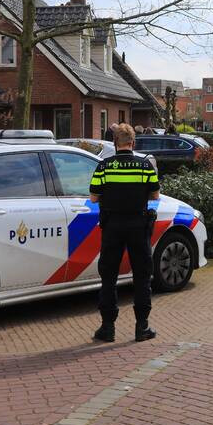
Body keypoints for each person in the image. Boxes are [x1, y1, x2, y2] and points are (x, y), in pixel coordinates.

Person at [89, 123, 159, 343]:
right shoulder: (145, 166)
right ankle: (142, 327)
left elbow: (93, 198)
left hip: (112, 227)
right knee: (142, 276)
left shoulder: (104, 167)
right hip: (138, 226)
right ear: (133, 142)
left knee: (108, 276)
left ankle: (107, 328)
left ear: (115, 143)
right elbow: (155, 196)